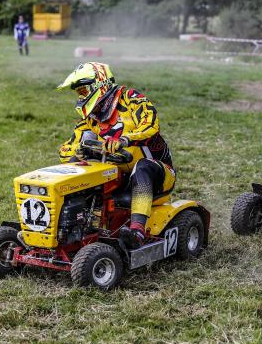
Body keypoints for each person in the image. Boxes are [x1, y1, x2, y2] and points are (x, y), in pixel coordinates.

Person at [56, 62, 175, 248]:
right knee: (76, 162)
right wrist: (77, 151)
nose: (81, 97)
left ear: (99, 84)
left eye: (83, 91)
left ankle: (137, 232)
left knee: (142, 165)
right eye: (78, 93)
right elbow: (66, 149)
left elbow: (151, 125)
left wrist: (125, 140)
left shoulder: (130, 98)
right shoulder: (91, 118)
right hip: (119, 175)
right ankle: (65, 225)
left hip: (158, 175)